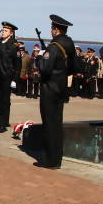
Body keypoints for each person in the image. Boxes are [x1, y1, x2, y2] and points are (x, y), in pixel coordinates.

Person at [37, 14, 77, 169]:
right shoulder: (69, 45)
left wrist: (39, 59)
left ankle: (50, 160)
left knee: (49, 124)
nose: (51, 31)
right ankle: (57, 157)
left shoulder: (53, 47)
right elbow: (73, 68)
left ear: (56, 30)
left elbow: (44, 69)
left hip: (49, 88)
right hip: (61, 88)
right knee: (57, 123)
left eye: (52, 28)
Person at [0, 22, 21, 132]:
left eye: (6, 31)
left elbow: (17, 64)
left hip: (7, 76)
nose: (3, 32)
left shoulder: (14, 45)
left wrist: (15, 79)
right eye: (2, 30)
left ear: (11, 33)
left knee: (4, 101)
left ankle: (3, 123)